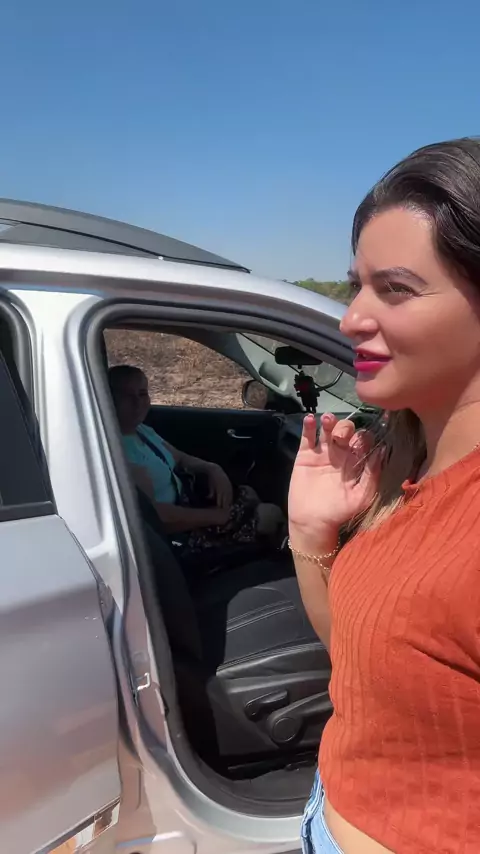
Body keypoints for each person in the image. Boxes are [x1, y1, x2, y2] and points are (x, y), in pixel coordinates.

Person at [288, 138, 480, 854]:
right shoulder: (408, 463)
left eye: (395, 289)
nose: (350, 319)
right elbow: (360, 660)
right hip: (330, 810)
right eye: (357, 286)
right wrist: (312, 533)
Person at [108, 364, 284, 555]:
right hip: (180, 536)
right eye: (126, 396)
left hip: (187, 504)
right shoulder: (118, 450)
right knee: (270, 514)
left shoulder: (141, 431)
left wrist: (212, 468)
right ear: (109, 398)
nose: (137, 402)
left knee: (247, 493)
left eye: (142, 393)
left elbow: (179, 458)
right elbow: (156, 518)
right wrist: (216, 517)